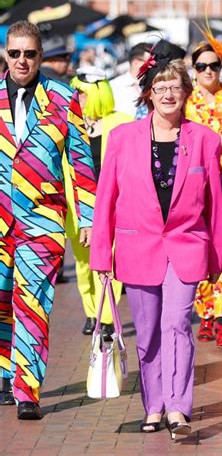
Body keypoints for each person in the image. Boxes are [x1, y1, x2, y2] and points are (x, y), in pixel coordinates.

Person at [90, 39, 222, 437]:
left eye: (175, 86)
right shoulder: (121, 139)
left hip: (185, 248)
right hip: (137, 249)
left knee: (178, 325)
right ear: (149, 93)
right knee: (148, 334)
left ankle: (178, 408)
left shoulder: (205, 140)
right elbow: (105, 202)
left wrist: (216, 259)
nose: (169, 93)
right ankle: (154, 405)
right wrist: (101, 258)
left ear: (187, 92)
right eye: (160, 87)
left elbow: (215, 205)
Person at [0, 21, 96, 419]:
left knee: (33, 304)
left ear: (41, 56)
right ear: (5, 54)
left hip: (42, 219)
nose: (22, 60)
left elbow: (81, 160)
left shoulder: (63, 97)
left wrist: (89, 216)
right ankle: (5, 372)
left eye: (30, 53)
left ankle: (27, 391)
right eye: (15, 53)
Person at [185, 42, 222, 347]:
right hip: (195, 182)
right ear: (193, 70)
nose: (208, 71)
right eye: (201, 66)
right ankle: (205, 314)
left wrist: (216, 141)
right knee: (197, 245)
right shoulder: (185, 100)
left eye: (214, 66)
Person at [68, 67, 133, 337]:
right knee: (83, 264)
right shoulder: (70, 124)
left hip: (112, 205)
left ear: (95, 93)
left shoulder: (121, 122)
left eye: (80, 92)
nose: (76, 97)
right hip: (78, 205)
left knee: (110, 260)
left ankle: (107, 317)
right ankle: (91, 312)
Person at [110, 42, 151, 118]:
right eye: (149, 62)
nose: (153, 65)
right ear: (136, 62)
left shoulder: (155, 86)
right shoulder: (113, 86)